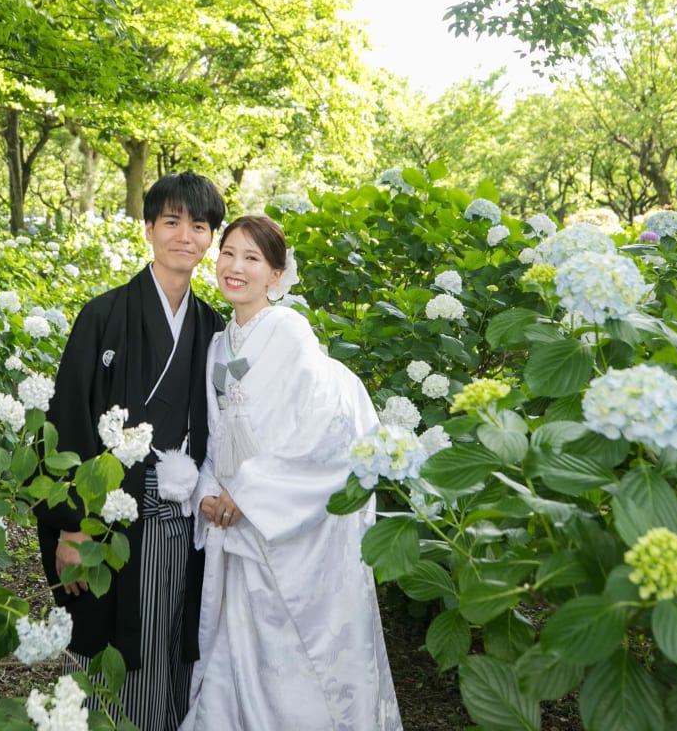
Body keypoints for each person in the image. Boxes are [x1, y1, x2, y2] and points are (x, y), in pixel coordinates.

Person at [180, 215, 403, 731]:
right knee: (236, 650)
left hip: (278, 517)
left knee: (292, 649)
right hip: (231, 517)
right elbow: (216, 434)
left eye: (252, 259)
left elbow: (320, 427)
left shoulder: (288, 330)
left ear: (276, 276)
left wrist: (251, 494)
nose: (235, 268)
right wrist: (209, 493)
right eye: (229, 254)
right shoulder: (218, 342)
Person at [37, 171, 227, 731]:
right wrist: (72, 526)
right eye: (171, 222)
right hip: (109, 514)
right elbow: (68, 420)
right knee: (115, 639)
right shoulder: (103, 316)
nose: (184, 236)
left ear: (210, 237)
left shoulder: (212, 327)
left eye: (198, 225)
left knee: (170, 640)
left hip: (181, 514)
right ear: (148, 228)